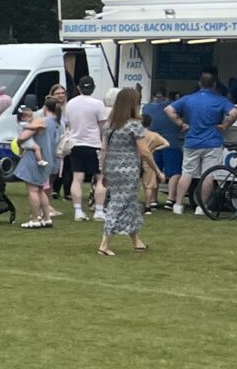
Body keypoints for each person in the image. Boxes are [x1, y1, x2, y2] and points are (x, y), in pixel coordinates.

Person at [99, 84, 155, 257]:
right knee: (119, 204)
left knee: (129, 204)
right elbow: (144, 151)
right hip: (129, 169)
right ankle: (104, 244)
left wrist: (103, 171)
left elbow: (104, 150)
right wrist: (157, 170)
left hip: (113, 168)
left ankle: (137, 241)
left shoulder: (110, 124)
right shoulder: (134, 125)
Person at [169, 71, 235, 214]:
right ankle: (202, 207)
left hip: (192, 141)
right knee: (208, 175)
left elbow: (169, 109)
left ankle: (178, 205)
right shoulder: (220, 100)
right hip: (213, 142)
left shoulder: (189, 99)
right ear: (215, 84)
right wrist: (225, 126)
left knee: (186, 173)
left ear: (199, 83)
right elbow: (235, 112)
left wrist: (181, 123)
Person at [59, 79, 109, 220]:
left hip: (75, 144)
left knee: (77, 178)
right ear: (93, 88)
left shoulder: (70, 104)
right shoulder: (98, 104)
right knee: (100, 177)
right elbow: (103, 128)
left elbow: (69, 123)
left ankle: (78, 211)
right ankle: (99, 210)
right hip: (94, 144)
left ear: (79, 88)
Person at [13, 85, 61, 228]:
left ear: (45, 108)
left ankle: (34, 219)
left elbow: (23, 137)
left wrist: (21, 140)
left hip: (35, 159)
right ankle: (46, 218)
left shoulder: (42, 121)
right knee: (40, 189)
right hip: (49, 159)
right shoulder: (58, 123)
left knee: (33, 190)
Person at [141, 84, 187, 212]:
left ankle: (153, 200)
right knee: (174, 172)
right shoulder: (173, 106)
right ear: (166, 94)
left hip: (153, 145)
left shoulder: (146, 108)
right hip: (172, 142)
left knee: (155, 171)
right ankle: (170, 200)